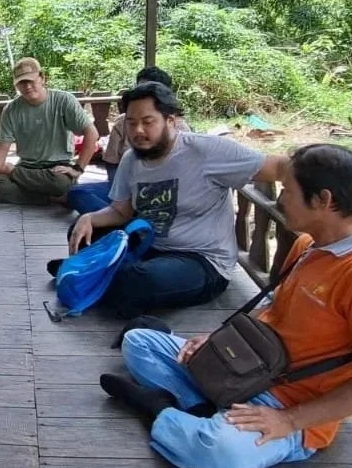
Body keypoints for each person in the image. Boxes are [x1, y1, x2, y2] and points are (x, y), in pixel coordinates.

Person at [100, 144, 352, 468]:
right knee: (138, 343)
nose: (281, 201)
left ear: (324, 200)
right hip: (245, 370)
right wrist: (217, 342)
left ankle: (159, 409)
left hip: (290, 404)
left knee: (217, 452)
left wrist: (289, 420)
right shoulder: (307, 245)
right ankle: (203, 410)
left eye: (289, 192)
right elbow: (274, 310)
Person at [65, 81, 281, 318]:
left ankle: (97, 276)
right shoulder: (131, 160)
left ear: (171, 120)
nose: (138, 131)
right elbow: (120, 212)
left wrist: (321, 181)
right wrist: (88, 218)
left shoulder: (207, 151)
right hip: (148, 246)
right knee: (81, 232)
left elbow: (278, 166)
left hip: (201, 261)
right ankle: (104, 277)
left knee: (136, 280)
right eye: (131, 123)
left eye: (148, 122)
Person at [65, 66, 189, 214]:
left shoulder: (179, 127)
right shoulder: (123, 122)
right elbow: (112, 163)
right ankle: (126, 220)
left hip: (168, 191)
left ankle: (125, 220)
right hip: (128, 190)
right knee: (77, 193)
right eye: (141, 89)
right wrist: (123, 192)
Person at [0, 57, 101, 206]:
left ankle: (15, 175)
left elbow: (92, 133)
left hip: (57, 169)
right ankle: (51, 198)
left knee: (60, 183)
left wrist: (78, 168)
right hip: (27, 166)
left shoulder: (64, 100)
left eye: (31, 80)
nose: (27, 86)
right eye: (22, 82)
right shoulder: (11, 109)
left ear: (42, 78)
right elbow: (2, 148)